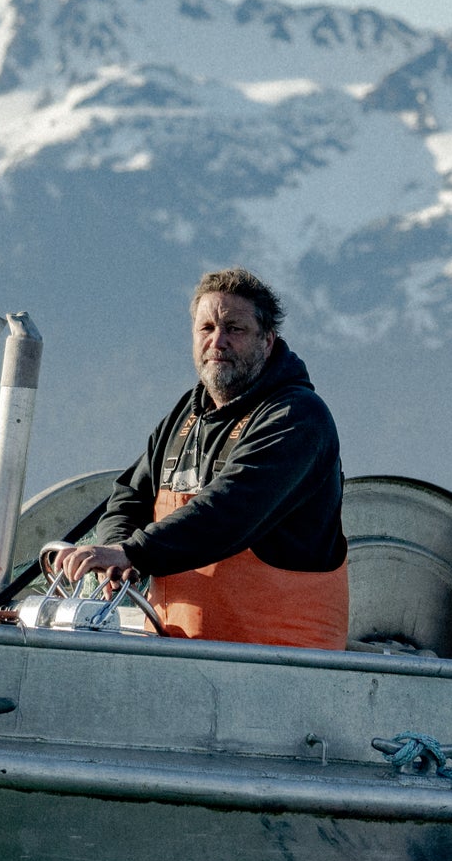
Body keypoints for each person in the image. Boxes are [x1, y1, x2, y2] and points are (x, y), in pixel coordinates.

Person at [44, 266, 349, 647]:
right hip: (186, 655)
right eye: (206, 329)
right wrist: (116, 554)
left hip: (280, 667)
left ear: (267, 340)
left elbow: (232, 509)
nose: (218, 341)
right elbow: (128, 497)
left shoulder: (297, 418)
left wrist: (133, 553)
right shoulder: (186, 417)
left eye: (234, 329)